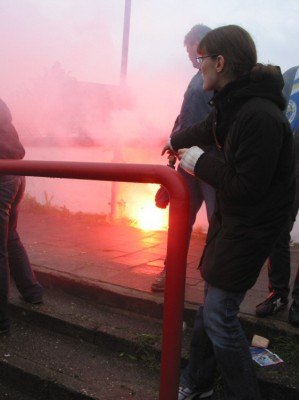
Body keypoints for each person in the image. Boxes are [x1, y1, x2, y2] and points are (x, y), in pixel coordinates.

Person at [161, 25, 295, 400]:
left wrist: (198, 162)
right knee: (213, 307)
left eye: (202, 59)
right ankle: (199, 381)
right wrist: (176, 139)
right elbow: (209, 126)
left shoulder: (260, 117)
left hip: (251, 228)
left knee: (219, 314)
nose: (197, 65)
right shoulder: (233, 103)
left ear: (220, 62)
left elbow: (247, 188)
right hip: (233, 224)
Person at [152, 24, 216, 292]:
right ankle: (172, 272)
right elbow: (184, 117)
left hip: (211, 163)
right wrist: (173, 147)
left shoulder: (218, 78)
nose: (189, 58)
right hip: (186, 163)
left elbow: (213, 122)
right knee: (180, 221)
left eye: (192, 52)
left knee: (218, 224)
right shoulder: (195, 78)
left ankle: (214, 282)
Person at [255, 65, 299, 322]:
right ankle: (278, 293)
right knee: (278, 231)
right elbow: (275, 110)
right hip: (288, 166)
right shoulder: (292, 75)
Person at [0, 98, 43, 335]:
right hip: (16, 171)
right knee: (10, 237)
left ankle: (1, 322)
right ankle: (32, 291)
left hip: (2, 175)